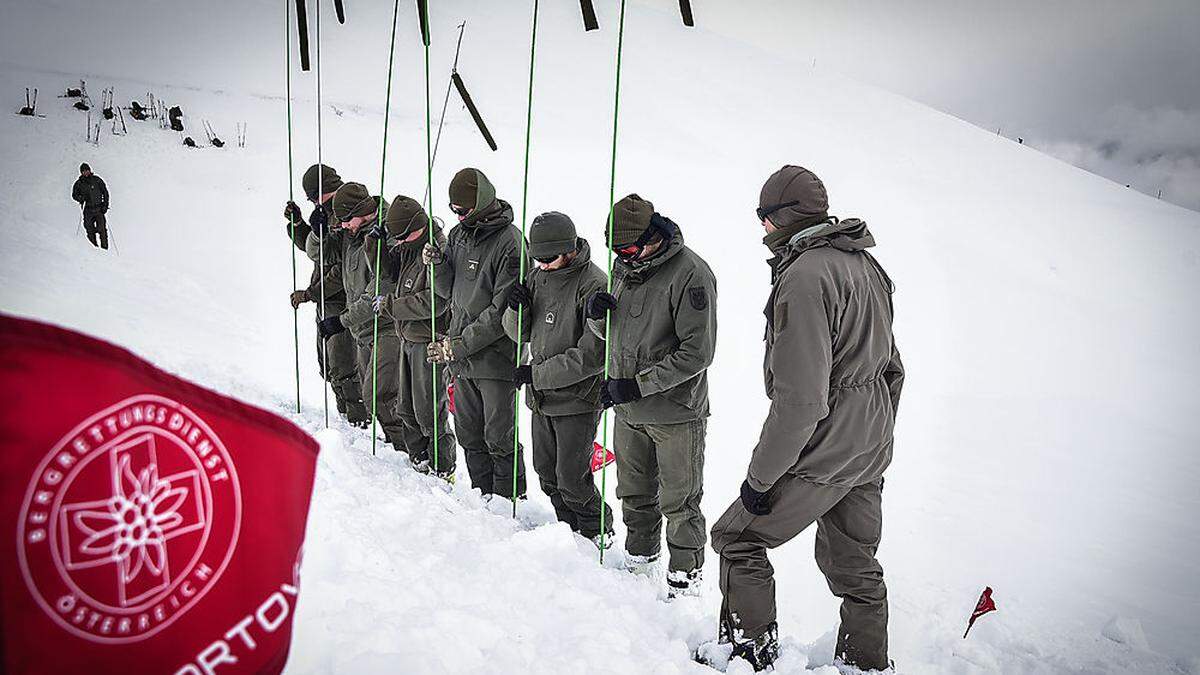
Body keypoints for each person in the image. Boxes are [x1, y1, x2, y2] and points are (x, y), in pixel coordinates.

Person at [708, 166, 904, 671]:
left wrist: (760, 479)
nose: (762, 229)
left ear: (786, 217)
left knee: (737, 538)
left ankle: (748, 654)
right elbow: (893, 369)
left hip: (825, 441)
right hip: (869, 444)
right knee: (856, 565)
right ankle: (865, 664)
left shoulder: (804, 278)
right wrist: (873, 433)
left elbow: (801, 402)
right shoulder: (865, 265)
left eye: (765, 218)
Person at [585, 194, 717, 597]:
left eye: (627, 248)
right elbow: (615, 339)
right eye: (615, 250)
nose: (621, 257)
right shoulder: (626, 270)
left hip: (675, 414)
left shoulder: (691, 274)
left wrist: (638, 384)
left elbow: (698, 352)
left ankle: (684, 585)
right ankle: (639, 570)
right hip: (629, 411)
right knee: (634, 494)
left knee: (679, 504)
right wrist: (596, 319)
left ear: (652, 235)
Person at [502, 212, 613, 547]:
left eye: (549, 258)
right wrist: (514, 309)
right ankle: (570, 534)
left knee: (573, 480)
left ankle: (597, 533)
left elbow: (592, 356)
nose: (543, 265)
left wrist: (536, 374)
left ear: (568, 249)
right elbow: (519, 333)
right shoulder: (537, 278)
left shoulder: (594, 283)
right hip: (542, 399)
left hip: (577, 399)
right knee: (547, 475)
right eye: (538, 259)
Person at [426, 168, 529, 503]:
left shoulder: (511, 243)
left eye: (464, 210)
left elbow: (500, 314)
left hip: (496, 358)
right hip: (462, 357)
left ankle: (509, 501)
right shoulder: (458, 235)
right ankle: (484, 497)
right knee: (468, 433)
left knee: (499, 435)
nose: (458, 216)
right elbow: (446, 291)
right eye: (454, 210)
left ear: (481, 203)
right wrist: (438, 263)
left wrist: (457, 346)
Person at [316, 182, 407, 454]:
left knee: (380, 396)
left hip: (387, 329)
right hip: (363, 333)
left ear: (363, 211)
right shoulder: (351, 234)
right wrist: (317, 232)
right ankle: (398, 450)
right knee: (376, 400)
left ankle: (407, 452)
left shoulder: (386, 235)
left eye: (346, 219)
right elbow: (320, 253)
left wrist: (341, 321)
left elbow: (377, 293)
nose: (343, 225)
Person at [374, 195, 457, 481]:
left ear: (417, 227)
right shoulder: (408, 247)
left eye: (402, 236)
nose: (399, 242)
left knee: (429, 410)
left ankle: (442, 467)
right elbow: (385, 271)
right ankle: (418, 457)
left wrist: (393, 307)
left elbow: (436, 301)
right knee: (406, 407)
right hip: (407, 338)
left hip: (428, 341)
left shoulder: (437, 250)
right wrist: (376, 243)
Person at [284, 164, 370, 427]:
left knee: (343, 364)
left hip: (341, 300)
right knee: (328, 365)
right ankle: (346, 419)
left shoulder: (346, 213)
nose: (314, 203)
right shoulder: (326, 213)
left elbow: (339, 268)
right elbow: (314, 249)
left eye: (313, 198)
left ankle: (358, 421)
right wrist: (298, 224)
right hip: (325, 299)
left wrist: (311, 293)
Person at [72, 163, 109, 249]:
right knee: (89, 230)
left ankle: (105, 249)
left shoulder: (97, 180)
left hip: (99, 209)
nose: (86, 172)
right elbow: (74, 195)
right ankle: (93, 249)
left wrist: (105, 205)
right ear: (81, 173)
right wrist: (81, 198)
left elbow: (105, 192)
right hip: (88, 210)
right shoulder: (79, 183)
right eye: (84, 171)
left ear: (90, 170)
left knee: (102, 230)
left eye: (87, 170)